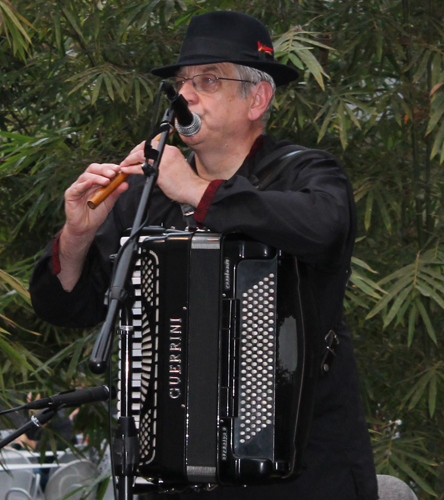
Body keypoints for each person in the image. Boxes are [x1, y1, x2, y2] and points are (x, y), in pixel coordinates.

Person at [30, 11, 378, 500]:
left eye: (208, 80)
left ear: (257, 98)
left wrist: (197, 190)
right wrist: (77, 235)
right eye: (180, 83)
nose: (184, 95)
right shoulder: (145, 194)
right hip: (167, 473)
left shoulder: (306, 174)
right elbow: (66, 308)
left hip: (301, 473)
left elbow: (323, 227)